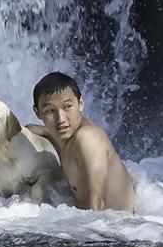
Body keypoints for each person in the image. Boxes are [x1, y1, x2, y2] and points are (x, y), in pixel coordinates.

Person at [26, 71, 136, 213]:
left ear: (81, 104)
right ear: (38, 112)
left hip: (117, 228)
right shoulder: (61, 137)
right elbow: (33, 130)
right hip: (96, 223)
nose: (61, 119)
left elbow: (98, 204)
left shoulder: (87, 139)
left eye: (67, 107)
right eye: (50, 110)